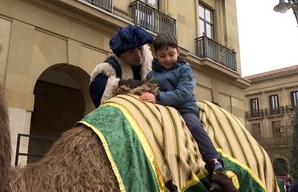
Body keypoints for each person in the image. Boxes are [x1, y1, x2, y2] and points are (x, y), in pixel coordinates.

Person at [139, 32, 235, 191]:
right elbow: (146, 90)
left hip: (184, 109)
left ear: (178, 51)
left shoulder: (184, 70)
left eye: (171, 54)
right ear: (156, 55)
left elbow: (183, 94)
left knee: (194, 126)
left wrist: (157, 98)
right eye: (162, 56)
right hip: (162, 111)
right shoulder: (151, 74)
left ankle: (214, 162)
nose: (167, 59)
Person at [89, 25, 154, 107]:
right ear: (120, 54)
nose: (138, 55)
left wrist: (121, 84)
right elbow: (100, 95)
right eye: (131, 51)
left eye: (140, 48)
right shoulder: (106, 70)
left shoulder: (156, 64)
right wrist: (116, 85)